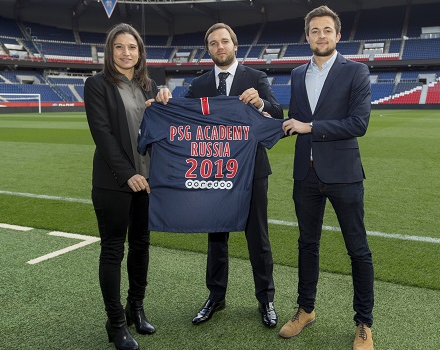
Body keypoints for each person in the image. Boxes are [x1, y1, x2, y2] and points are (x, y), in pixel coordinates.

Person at [155, 22, 283, 328]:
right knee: (216, 235)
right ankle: (216, 296)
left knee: (258, 237)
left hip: (251, 170)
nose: (219, 47)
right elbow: (179, 111)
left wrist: (261, 102)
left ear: (235, 46)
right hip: (214, 170)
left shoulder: (256, 78)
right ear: (208, 49)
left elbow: (277, 114)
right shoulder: (199, 85)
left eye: (224, 41)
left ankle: (266, 299)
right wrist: (161, 97)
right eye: (213, 43)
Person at [279, 6, 374, 350]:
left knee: (358, 249)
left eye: (327, 30)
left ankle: (364, 323)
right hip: (305, 174)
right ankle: (305, 310)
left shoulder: (356, 72)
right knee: (307, 244)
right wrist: (263, 112)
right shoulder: (295, 73)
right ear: (307, 37)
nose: (321, 36)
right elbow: (295, 119)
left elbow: (358, 124)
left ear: (338, 35)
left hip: (344, 175)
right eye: (315, 30)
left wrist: (311, 127)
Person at [84, 23, 157, 350]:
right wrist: (128, 173)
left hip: (147, 182)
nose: (126, 53)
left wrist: (164, 100)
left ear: (140, 52)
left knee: (141, 246)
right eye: (119, 47)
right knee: (114, 250)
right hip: (114, 183)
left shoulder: (148, 85)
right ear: (109, 51)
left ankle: (135, 309)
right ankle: (115, 323)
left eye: (132, 47)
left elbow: (158, 131)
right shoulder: (96, 84)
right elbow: (102, 134)